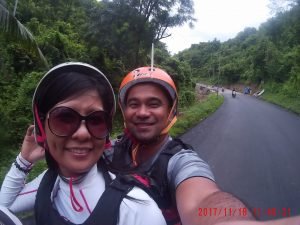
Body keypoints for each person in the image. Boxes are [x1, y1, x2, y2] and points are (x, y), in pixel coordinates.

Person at [105, 66, 300, 225]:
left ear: (171, 111)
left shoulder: (181, 162)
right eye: (133, 104)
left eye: (154, 104)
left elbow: (204, 200)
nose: (142, 112)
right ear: (123, 110)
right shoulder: (112, 149)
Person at [0, 62, 166, 225]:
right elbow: (3, 207)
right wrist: (24, 160)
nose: (82, 133)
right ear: (42, 129)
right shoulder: (49, 182)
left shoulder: (138, 209)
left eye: (96, 120)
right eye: (64, 118)